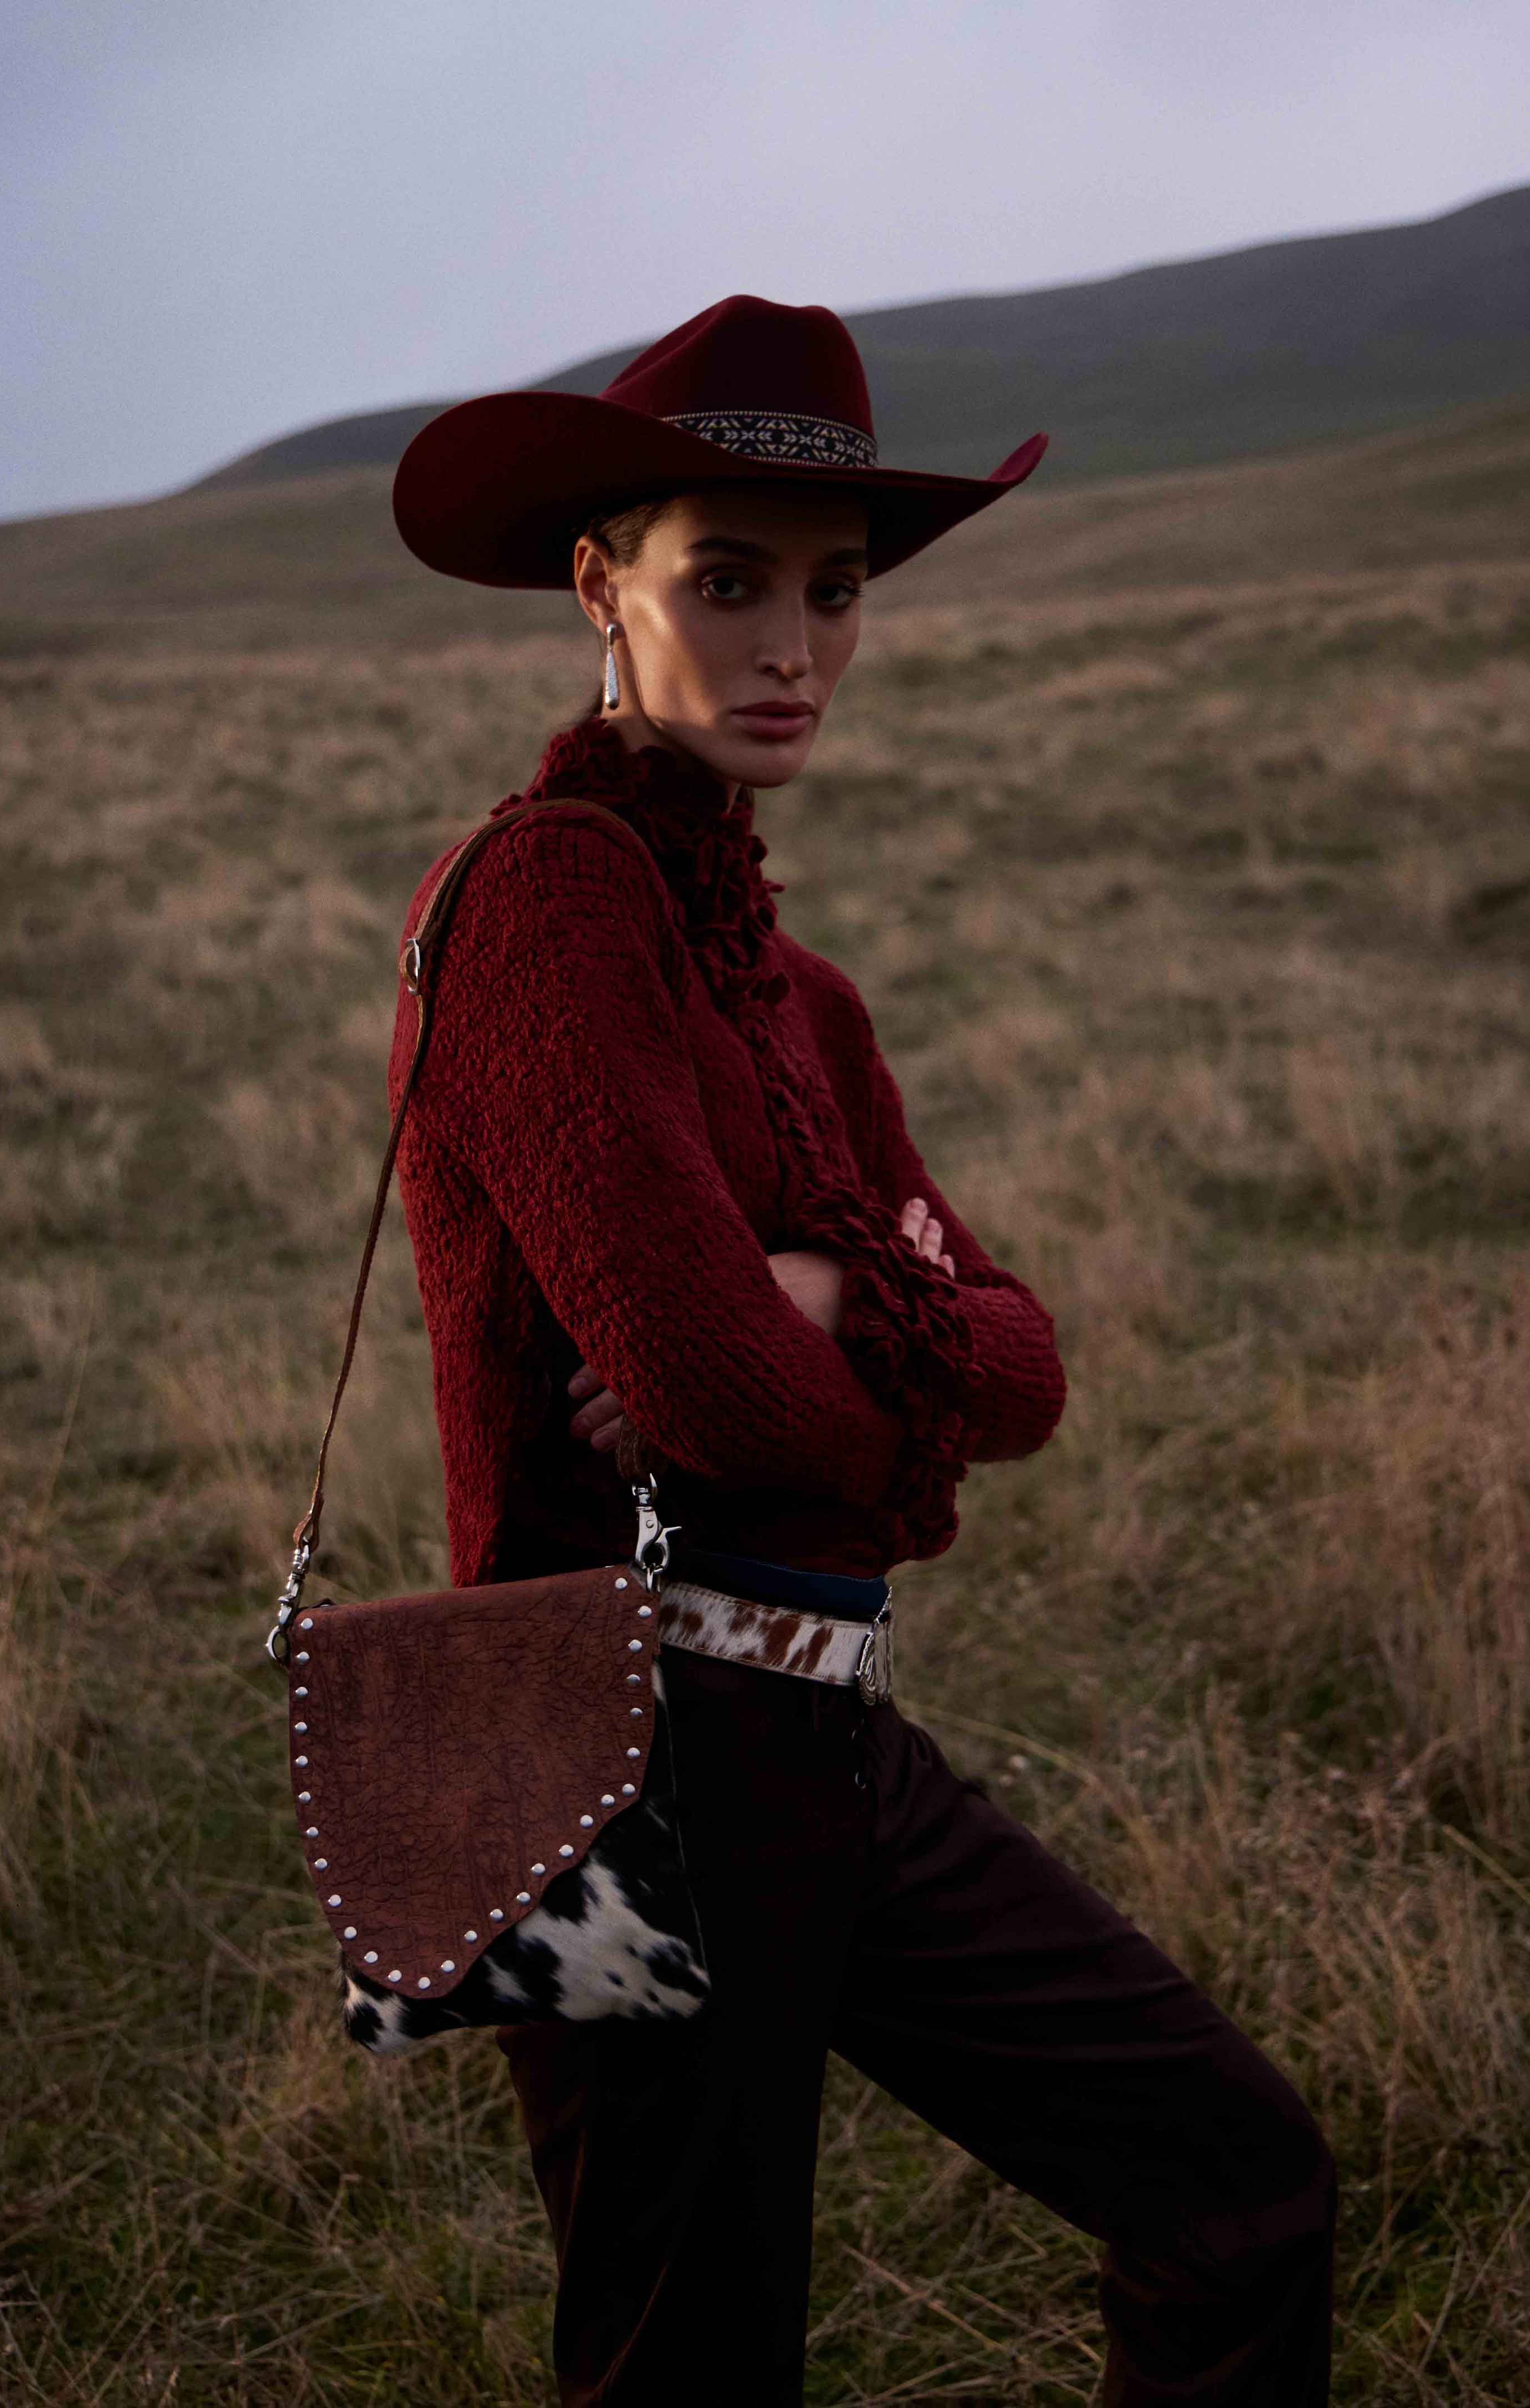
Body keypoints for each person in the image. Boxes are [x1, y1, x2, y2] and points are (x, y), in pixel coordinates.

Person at [385, 296, 1336, 2406]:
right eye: (724, 580)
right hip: (623, 1770)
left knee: (1238, 2178)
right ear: (599, 588)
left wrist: (845, 1305)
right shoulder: (551, 906)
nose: (792, 644)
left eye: (833, 591)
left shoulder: (806, 1005)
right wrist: (858, 1361)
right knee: (694, 2366)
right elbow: (721, 1396)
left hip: (829, 1742)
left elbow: (1027, 1361)